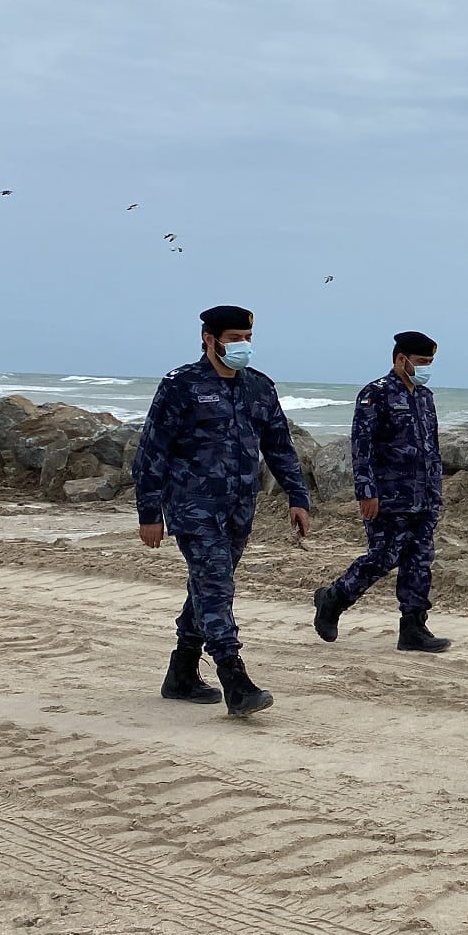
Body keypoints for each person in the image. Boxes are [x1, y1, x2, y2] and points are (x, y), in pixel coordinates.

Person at [133, 305, 311, 717]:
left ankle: (181, 673)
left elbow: (280, 447)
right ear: (209, 339)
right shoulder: (182, 385)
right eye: (233, 338)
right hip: (192, 505)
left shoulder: (260, 388)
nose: (242, 345)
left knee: (209, 584)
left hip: (239, 508)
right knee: (216, 584)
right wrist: (149, 512)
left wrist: (297, 497)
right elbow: (151, 451)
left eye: (246, 338)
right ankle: (235, 679)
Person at [310, 331, 450, 652]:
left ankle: (413, 628)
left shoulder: (425, 398)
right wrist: (366, 490)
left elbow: (432, 448)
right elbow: (362, 447)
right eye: (421, 362)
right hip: (388, 496)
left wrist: (436, 489)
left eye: (430, 362)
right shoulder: (376, 394)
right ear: (401, 359)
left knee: (419, 560)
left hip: (424, 496)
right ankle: (333, 599)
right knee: (383, 556)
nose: (426, 367)